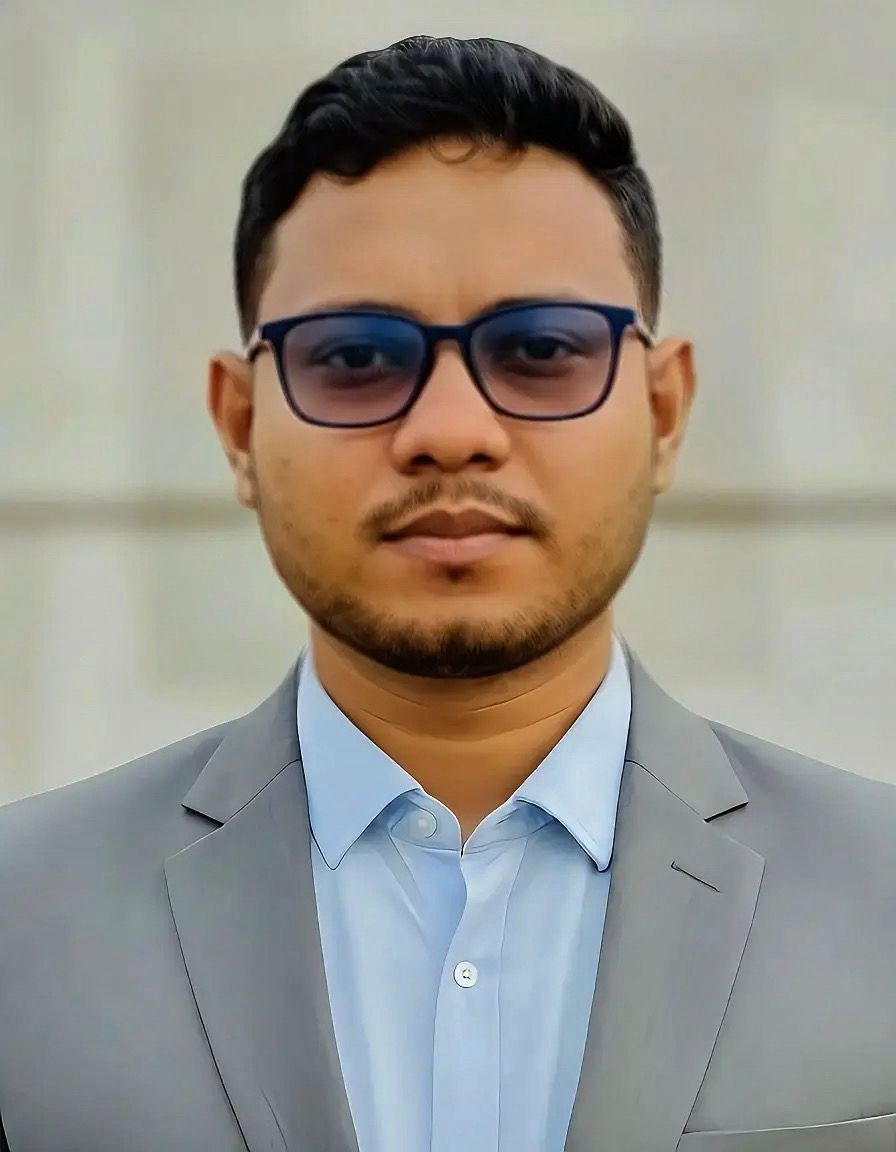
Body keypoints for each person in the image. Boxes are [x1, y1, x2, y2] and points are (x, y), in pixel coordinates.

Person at [0, 33, 893, 1152]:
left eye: (542, 348)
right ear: (239, 424)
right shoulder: (18, 921)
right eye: (354, 358)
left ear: (662, 412)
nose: (451, 430)